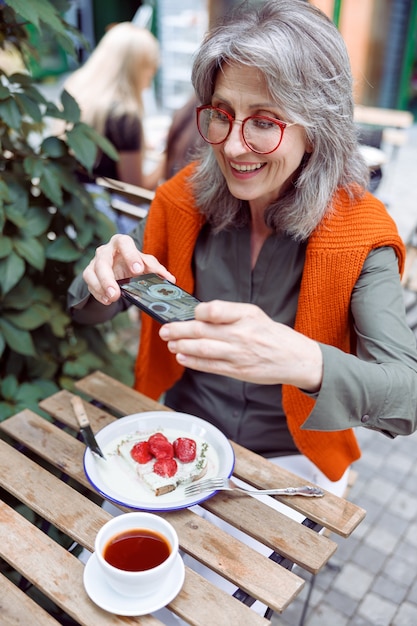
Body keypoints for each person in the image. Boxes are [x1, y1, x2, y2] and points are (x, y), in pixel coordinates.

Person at [69, 0, 417, 506]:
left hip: (292, 461)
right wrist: (103, 278)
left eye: (264, 121)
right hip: (183, 434)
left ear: (316, 130)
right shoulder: (181, 199)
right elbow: (88, 314)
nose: (232, 146)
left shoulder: (361, 233)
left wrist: (303, 360)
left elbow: (406, 397)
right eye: (223, 115)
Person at [64, 22, 165, 190]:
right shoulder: (124, 115)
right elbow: (135, 192)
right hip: (108, 208)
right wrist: (167, 159)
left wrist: (144, 144)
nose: (149, 82)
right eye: (150, 69)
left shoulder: (76, 88)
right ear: (136, 70)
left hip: (75, 197)